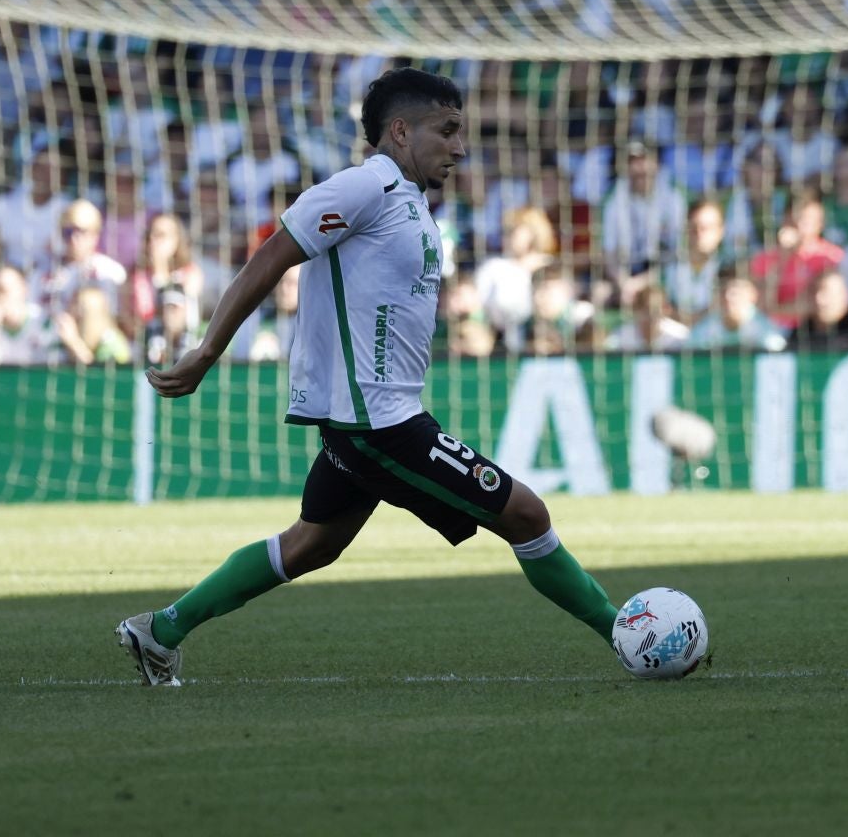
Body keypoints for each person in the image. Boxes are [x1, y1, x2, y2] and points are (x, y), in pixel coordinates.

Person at [121, 69, 620, 685]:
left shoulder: (407, 201)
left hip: (369, 416)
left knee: (311, 544)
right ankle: (627, 634)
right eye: (448, 130)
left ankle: (160, 630)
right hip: (380, 423)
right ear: (401, 131)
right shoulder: (364, 187)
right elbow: (274, 255)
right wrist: (207, 349)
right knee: (525, 514)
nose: (459, 148)